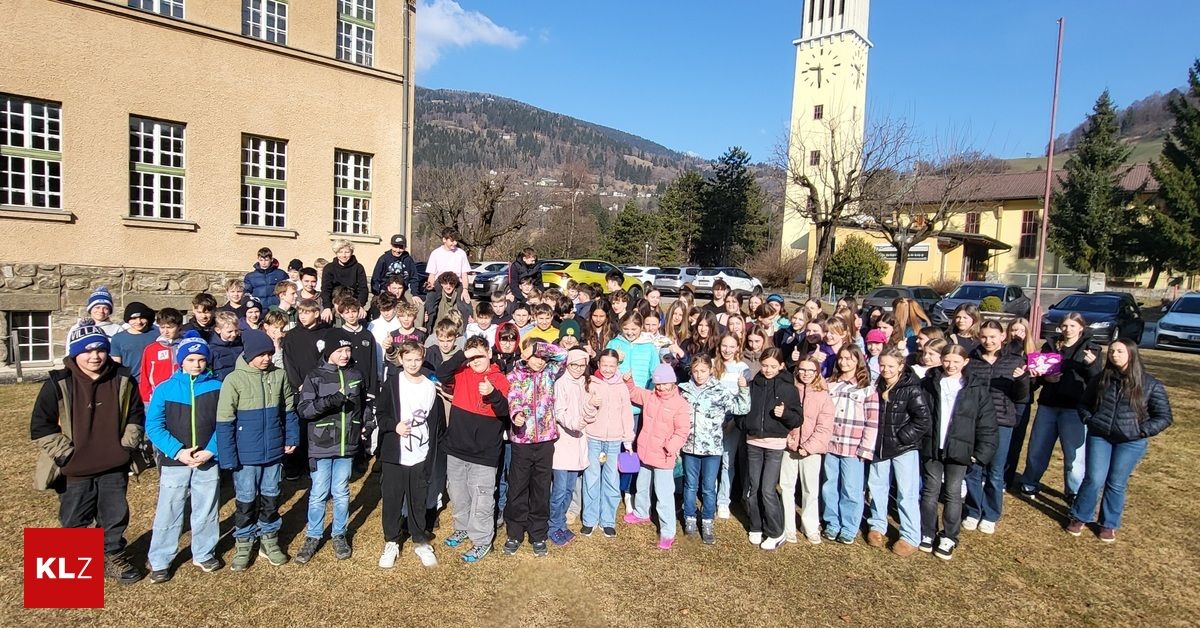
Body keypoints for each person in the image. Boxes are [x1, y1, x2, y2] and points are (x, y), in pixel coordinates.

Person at [30, 321, 146, 584]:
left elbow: (136, 415)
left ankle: (112, 556)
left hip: (113, 464)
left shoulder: (123, 378)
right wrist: (65, 455)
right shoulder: (58, 382)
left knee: (114, 515)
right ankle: (73, 567)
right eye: (87, 351)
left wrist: (126, 447)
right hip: (75, 468)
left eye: (100, 349)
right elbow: (41, 425)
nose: (95, 356)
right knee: (74, 517)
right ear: (75, 353)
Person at [1067, 339, 1173, 542]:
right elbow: (1084, 404)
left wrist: (1141, 431)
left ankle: (1108, 523)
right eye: (1112, 351)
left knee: (1116, 482)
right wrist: (1090, 420)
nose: (1114, 355)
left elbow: (1164, 416)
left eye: (1120, 351)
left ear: (1131, 354)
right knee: (1094, 478)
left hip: (1131, 442)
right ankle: (1080, 516)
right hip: (1100, 436)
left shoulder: (1150, 384)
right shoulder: (1101, 379)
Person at [216, 329, 299, 571]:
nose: (266, 359)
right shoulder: (233, 380)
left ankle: (269, 539)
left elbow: (289, 409)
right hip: (246, 455)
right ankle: (244, 542)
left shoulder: (279, 375)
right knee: (246, 500)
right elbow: (224, 421)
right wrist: (228, 457)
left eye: (269, 354)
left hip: (273, 450)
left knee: (271, 497)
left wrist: (291, 436)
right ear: (249, 354)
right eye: (261, 355)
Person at [145, 334, 223, 583]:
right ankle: (160, 559)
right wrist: (178, 451)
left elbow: (225, 422)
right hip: (175, 461)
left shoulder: (217, 387)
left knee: (206, 508)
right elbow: (154, 426)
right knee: (169, 509)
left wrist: (211, 450)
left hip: (207, 459)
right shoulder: (165, 389)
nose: (196, 364)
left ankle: (204, 552)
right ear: (181, 361)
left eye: (201, 360)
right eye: (190, 359)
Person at [918, 344, 997, 560]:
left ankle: (949, 536)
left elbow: (987, 424)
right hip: (932, 445)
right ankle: (927, 532)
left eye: (956, 361)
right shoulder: (929, 383)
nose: (950, 365)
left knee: (953, 493)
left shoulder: (976, 388)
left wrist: (980, 454)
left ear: (965, 362)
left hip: (960, 449)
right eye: (946, 360)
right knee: (930, 490)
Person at [436, 336, 511, 564]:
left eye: (479, 355)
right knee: (458, 494)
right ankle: (462, 528)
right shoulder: (462, 373)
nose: (475, 360)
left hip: (484, 454)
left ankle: (481, 540)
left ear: (489, 353)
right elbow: (441, 373)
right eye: (471, 356)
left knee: (482, 499)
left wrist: (492, 393)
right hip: (457, 448)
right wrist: (462, 356)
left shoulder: (500, 379)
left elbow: (505, 410)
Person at [294, 329, 367, 564]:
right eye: (340, 351)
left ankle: (339, 533)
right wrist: (330, 401)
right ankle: (313, 535)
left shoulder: (356, 374)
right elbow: (304, 409)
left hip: (347, 444)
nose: (345, 355)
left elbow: (363, 405)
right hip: (321, 445)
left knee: (341, 491)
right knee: (318, 492)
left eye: (348, 350)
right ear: (328, 352)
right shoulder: (315, 376)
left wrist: (365, 425)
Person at [1018, 312, 1102, 503]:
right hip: (1048, 405)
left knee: (1074, 454)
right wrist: (1045, 378)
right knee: (1038, 447)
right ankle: (1030, 481)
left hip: (1074, 408)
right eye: (1065, 326)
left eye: (1072, 326)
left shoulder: (1091, 348)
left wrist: (1092, 365)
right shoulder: (1050, 345)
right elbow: (1039, 374)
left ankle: (1073, 490)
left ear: (1081, 328)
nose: (1068, 329)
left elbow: (1097, 380)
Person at [376, 340, 443, 568]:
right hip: (395, 453)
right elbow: (381, 414)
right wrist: (394, 426)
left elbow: (434, 422)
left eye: (417, 359)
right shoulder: (393, 383)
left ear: (422, 359)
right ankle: (392, 541)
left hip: (420, 453)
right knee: (392, 498)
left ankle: (419, 539)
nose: (413, 364)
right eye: (408, 359)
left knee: (417, 498)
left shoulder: (429, 386)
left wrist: (431, 452)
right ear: (401, 360)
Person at [963, 321, 1029, 534]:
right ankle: (973, 510)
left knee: (995, 471)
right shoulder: (972, 360)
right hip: (976, 421)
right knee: (974, 468)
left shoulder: (1014, 360)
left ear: (1002, 337)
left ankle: (991, 514)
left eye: (993, 337)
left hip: (1002, 422)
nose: (988, 341)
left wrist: (1022, 379)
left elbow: (1021, 396)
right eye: (984, 337)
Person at [503, 340, 566, 557]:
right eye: (535, 358)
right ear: (526, 356)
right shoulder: (515, 375)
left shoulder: (550, 372)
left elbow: (563, 355)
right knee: (518, 487)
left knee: (541, 488)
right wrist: (516, 415)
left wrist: (538, 347)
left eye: (542, 358)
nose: (539, 362)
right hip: (522, 440)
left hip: (546, 440)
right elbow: (513, 397)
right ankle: (515, 532)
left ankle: (538, 533)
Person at [679, 355, 749, 545]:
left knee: (709, 487)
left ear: (710, 370)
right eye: (695, 371)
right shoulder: (683, 390)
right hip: (690, 446)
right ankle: (689, 517)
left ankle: (708, 520)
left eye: (703, 371)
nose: (699, 375)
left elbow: (742, 408)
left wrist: (743, 389)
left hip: (712, 448)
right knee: (690, 485)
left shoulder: (720, 390)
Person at [866, 349, 930, 557]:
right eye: (882, 365)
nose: (886, 369)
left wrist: (902, 436)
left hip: (903, 448)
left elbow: (923, 419)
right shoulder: (876, 386)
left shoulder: (912, 389)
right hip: (879, 446)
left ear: (901, 366)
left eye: (891, 366)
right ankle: (877, 525)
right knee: (877, 487)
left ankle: (910, 535)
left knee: (906, 492)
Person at [623, 363, 692, 550]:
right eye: (658, 384)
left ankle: (668, 531)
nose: (661, 387)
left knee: (664, 495)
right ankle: (641, 512)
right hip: (645, 452)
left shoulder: (680, 404)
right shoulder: (650, 396)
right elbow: (634, 393)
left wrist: (671, 446)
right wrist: (628, 381)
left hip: (663, 456)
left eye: (665, 384)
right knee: (642, 485)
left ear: (673, 383)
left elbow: (682, 431)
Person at [741, 348, 802, 550]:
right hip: (753, 442)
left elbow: (797, 418)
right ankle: (756, 525)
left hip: (775, 444)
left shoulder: (788, 389)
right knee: (753, 487)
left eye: (773, 366)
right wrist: (746, 424)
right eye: (765, 365)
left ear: (781, 366)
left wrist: (785, 414)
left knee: (767, 489)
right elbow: (743, 409)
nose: (768, 370)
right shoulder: (753, 385)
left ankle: (776, 531)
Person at [822, 345, 879, 545]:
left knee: (851, 488)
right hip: (831, 443)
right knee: (829, 485)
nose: (844, 362)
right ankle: (832, 522)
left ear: (858, 361)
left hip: (853, 447)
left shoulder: (867, 389)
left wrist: (866, 448)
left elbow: (872, 422)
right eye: (841, 358)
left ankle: (849, 526)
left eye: (849, 359)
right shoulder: (830, 384)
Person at [580, 349, 635, 537]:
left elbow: (626, 414)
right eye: (604, 365)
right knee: (591, 478)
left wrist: (628, 439)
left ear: (617, 366)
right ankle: (589, 519)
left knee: (611, 480)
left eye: (612, 365)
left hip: (614, 440)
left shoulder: (621, 387)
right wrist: (591, 404)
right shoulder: (591, 383)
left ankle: (608, 520)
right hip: (593, 438)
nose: (608, 369)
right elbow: (584, 409)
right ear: (598, 364)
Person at [780, 356, 834, 544]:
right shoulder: (789, 390)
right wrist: (787, 437)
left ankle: (810, 525)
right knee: (786, 487)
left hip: (811, 450)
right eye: (802, 369)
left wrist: (809, 447)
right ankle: (788, 526)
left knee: (810, 489)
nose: (806, 373)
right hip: (789, 447)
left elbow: (824, 426)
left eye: (810, 370)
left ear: (817, 372)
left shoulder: (823, 395)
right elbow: (782, 416)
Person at [714, 334, 750, 520]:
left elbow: (743, 398)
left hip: (732, 422)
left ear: (737, 348)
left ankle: (723, 500)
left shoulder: (743, 368)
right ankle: (710, 495)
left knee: (728, 462)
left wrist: (734, 421)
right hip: (713, 421)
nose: (727, 350)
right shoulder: (713, 365)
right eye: (724, 346)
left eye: (731, 346)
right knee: (713, 460)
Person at [139, 307, 184, 403]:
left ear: (179, 326)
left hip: (182, 396)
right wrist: (146, 399)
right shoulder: (151, 349)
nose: (166, 331)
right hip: (158, 397)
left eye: (170, 327)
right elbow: (145, 376)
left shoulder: (185, 347)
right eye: (162, 327)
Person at [320, 240, 369, 323]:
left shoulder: (358, 268)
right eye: (340, 252)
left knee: (361, 319)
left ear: (351, 252)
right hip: (334, 302)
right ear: (336, 253)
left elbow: (363, 289)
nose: (343, 255)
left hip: (353, 301)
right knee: (326, 319)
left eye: (347, 252)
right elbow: (326, 289)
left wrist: (361, 305)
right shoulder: (329, 268)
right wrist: (327, 307)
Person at [109, 301, 157, 380]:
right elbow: (116, 364)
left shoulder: (157, 335)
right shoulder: (118, 338)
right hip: (130, 381)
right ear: (128, 320)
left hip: (153, 380)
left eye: (142, 318)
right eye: (134, 318)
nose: (138, 322)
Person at [425, 227, 472, 300]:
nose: (455, 243)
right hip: (440, 282)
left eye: (456, 240)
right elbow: (432, 274)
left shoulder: (461, 253)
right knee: (430, 301)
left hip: (457, 282)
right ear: (444, 240)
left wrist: (465, 289)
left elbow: (464, 274)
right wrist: (430, 286)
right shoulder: (435, 253)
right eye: (452, 241)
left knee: (465, 304)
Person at [209, 311, 243, 381]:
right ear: (218, 330)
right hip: (222, 383)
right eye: (229, 331)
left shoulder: (241, 344)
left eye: (236, 331)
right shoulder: (212, 350)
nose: (234, 334)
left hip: (241, 381)